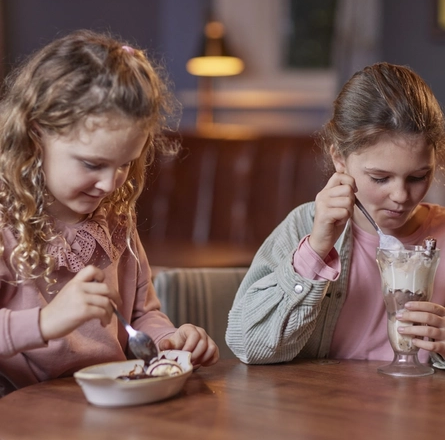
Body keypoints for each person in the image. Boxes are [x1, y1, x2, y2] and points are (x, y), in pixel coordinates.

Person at [0, 29, 219, 396]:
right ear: (36, 135)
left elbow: (139, 314)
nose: (110, 184)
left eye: (124, 164)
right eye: (92, 164)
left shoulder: (115, 221)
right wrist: (45, 321)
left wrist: (169, 339)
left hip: (109, 399)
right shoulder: (7, 220)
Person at [226, 62, 445, 366]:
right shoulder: (304, 225)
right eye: (380, 178)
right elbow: (249, 345)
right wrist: (316, 250)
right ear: (339, 158)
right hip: (324, 409)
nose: (400, 196)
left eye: (418, 177)